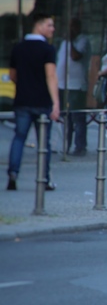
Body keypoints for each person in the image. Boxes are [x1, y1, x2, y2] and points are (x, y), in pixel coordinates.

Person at [7, 13, 59, 191]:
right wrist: (56, 103)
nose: (53, 29)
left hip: (22, 100)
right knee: (44, 142)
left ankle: (13, 173)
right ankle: (44, 178)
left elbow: (12, 76)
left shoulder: (18, 48)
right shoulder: (47, 50)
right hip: (43, 102)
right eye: (50, 25)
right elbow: (50, 76)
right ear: (39, 25)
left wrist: (24, 86)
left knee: (19, 138)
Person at [57, 18, 92, 156]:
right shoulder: (65, 42)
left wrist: (71, 40)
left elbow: (75, 56)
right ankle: (66, 146)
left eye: (73, 27)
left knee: (77, 118)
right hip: (63, 85)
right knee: (66, 119)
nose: (70, 30)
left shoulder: (83, 40)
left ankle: (80, 147)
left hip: (76, 86)